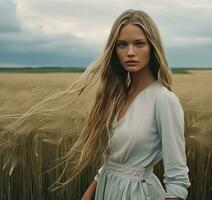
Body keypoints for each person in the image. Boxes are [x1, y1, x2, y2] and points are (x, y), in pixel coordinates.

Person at [78, 9, 191, 200]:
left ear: (152, 47)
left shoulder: (164, 100)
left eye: (139, 44)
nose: (130, 53)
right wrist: (88, 194)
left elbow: (177, 180)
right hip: (107, 190)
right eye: (122, 45)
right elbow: (115, 159)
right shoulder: (117, 96)